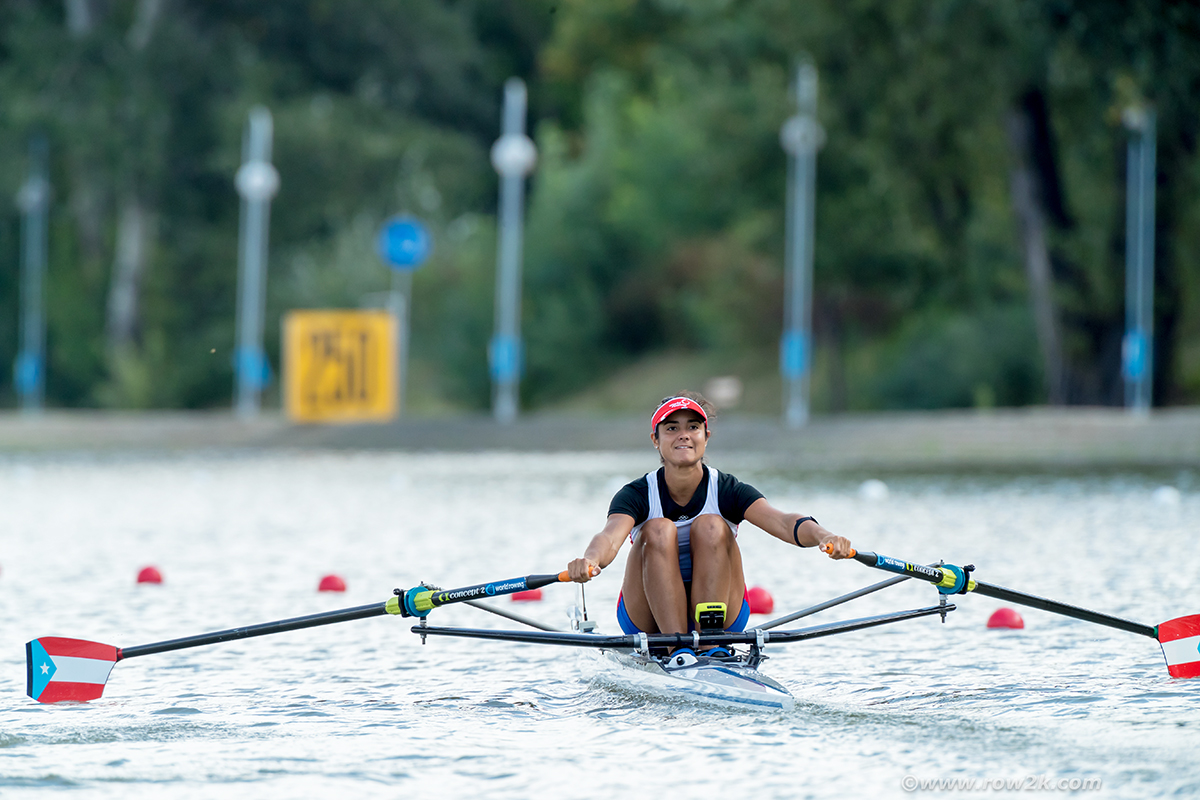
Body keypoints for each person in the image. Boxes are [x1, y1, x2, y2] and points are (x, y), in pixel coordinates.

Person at [566, 392, 854, 651]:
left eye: (693, 427)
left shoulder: (727, 489)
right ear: (656, 439)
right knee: (657, 529)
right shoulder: (637, 494)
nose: (684, 435)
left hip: (724, 613)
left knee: (712, 525)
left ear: (706, 435)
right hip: (648, 620)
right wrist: (590, 560)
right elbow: (609, 538)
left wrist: (823, 536)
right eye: (671, 428)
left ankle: (711, 645)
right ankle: (676, 649)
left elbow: (782, 521)